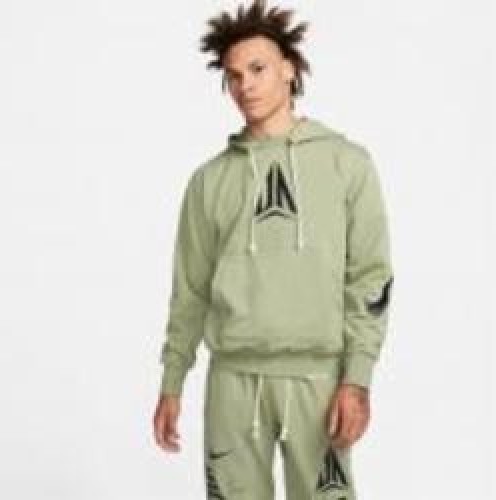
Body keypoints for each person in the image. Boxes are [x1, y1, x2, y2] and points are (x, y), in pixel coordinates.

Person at [153, 1, 394, 499]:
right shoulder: (209, 181)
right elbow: (190, 290)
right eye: (234, 76)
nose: (246, 85)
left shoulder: (346, 164)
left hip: (319, 378)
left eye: (258, 69)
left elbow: (370, 278)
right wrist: (172, 381)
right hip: (232, 381)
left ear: (289, 68)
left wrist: (357, 379)